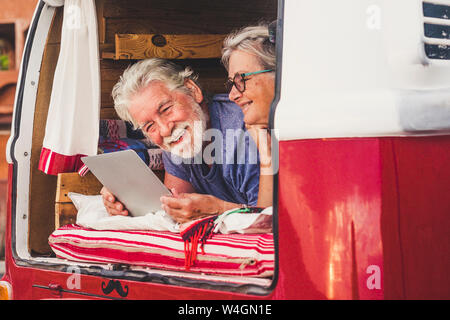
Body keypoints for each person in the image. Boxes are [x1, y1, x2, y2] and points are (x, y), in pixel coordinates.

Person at [100, 58, 261, 223]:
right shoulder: (178, 139)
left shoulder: (244, 131)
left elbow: (269, 220)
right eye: (149, 126)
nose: (165, 129)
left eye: (166, 109)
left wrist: (218, 209)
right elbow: (173, 206)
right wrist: (127, 202)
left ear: (192, 90)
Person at [221, 22, 277, 207]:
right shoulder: (269, 137)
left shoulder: (314, 133)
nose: (232, 95)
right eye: (232, 84)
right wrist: (266, 151)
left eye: (241, 80)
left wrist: (219, 208)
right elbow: (267, 219)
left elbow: (267, 224)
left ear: (280, 75)